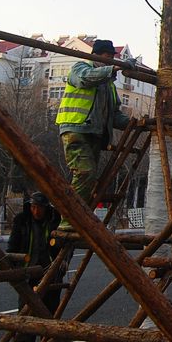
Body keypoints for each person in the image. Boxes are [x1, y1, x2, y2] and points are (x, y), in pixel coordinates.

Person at [55, 39, 130, 231]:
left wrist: (134, 124)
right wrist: (111, 70)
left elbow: (114, 114)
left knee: (90, 180)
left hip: (95, 134)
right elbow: (85, 79)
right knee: (84, 173)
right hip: (76, 130)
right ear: (96, 55)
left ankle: (80, 218)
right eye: (108, 57)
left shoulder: (109, 86)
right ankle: (69, 220)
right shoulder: (80, 67)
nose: (111, 61)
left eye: (113, 58)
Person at [7, 191, 62, 342]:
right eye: (33, 207)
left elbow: (64, 243)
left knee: (50, 308)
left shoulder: (54, 220)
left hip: (49, 269)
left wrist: (62, 262)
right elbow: (13, 244)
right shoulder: (22, 221)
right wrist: (13, 265)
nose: (36, 211)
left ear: (46, 208)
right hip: (28, 270)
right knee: (26, 309)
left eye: (39, 208)